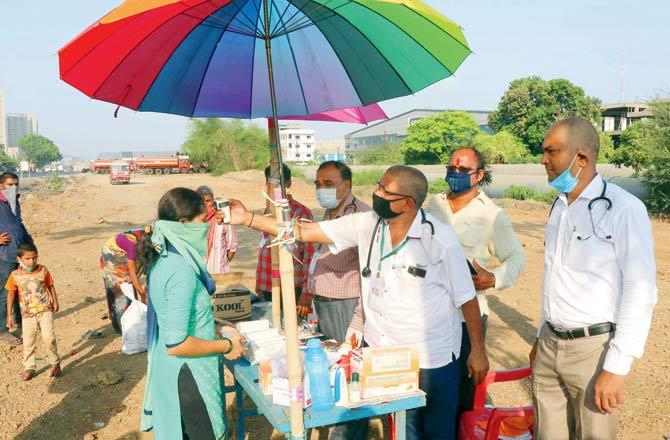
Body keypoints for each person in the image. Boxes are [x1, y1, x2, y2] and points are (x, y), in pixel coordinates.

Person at [230, 165, 489, 440]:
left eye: (384, 191)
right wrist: (248, 218)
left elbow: (467, 299)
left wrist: (478, 351)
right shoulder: (368, 223)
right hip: (385, 353)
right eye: (378, 185)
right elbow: (304, 231)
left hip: (430, 357)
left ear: (407, 203)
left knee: (435, 431)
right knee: (404, 428)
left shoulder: (439, 239)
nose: (376, 194)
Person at [529, 117, 658, 439]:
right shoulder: (558, 208)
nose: (543, 160)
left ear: (581, 158)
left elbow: (640, 290)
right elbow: (554, 277)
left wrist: (616, 366)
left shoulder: (623, 209)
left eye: (552, 152)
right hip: (549, 344)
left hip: (592, 350)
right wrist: (540, 336)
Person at [426, 147, 525, 419]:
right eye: (451, 168)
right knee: (430, 391)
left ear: (479, 175)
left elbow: (517, 258)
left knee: (462, 395)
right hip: (430, 313)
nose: (454, 173)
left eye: (462, 169)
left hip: (466, 318)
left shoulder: (492, 215)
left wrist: (494, 279)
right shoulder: (434, 204)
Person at [138, 187, 245, 439]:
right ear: (183, 223)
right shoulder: (181, 270)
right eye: (201, 221)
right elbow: (177, 343)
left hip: (174, 372)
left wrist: (213, 321)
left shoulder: (167, 256)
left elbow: (174, 315)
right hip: (187, 376)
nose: (206, 228)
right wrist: (227, 346)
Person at [296, 161, 370, 440]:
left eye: (328, 184)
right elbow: (317, 258)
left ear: (346, 185)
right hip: (324, 303)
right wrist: (308, 289)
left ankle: (348, 432)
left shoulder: (362, 215)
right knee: (328, 369)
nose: (321, 189)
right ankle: (335, 426)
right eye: (317, 184)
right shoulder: (328, 213)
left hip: (347, 303)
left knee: (347, 371)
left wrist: (359, 318)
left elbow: (369, 272)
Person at [255, 164, 314, 302]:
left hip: (290, 288)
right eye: (270, 181)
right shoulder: (268, 212)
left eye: (278, 182)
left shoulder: (300, 212)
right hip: (268, 287)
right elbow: (264, 249)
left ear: (288, 184)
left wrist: (306, 293)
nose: (273, 186)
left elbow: (309, 256)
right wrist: (259, 284)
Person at [6, 242, 61, 380]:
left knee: (49, 338)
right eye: (28, 258)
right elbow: (11, 294)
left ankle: (55, 363)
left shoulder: (43, 270)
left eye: (35, 257)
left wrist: (55, 301)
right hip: (27, 314)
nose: (32, 261)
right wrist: (9, 315)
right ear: (19, 259)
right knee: (29, 341)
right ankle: (29, 367)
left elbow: (50, 285)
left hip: (45, 310)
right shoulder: (15, 275)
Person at [0, 172, 33, 346]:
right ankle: (2, 330)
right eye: (10, 184)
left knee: (21, 289)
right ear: (1, 186)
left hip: (18, 252)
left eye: (16, 184)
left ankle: (21, 320)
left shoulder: (14, 202)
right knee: (5, 292)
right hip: (4, 255)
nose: (14, 188)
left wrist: (30, 243)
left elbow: (19, 224)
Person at [100, 229, 147, 334]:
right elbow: (133, 273)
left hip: (123, 253)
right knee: (120, 289)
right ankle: (121, 327)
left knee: (129, 287)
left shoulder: (147, 238)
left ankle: (132, 317)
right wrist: (142, 293)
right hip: (111, 255)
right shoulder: (133, 246)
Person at [196, 185, 239, 274]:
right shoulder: (192, 220)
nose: (205, 204)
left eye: (208, 201)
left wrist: (222, 264)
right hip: (198, 271)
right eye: (201, 201)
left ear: (213, 200)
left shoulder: (223, 217)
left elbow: (232, 246)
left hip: (218, 271)